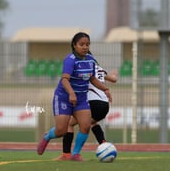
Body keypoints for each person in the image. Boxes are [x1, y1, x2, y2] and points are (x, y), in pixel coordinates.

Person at [36, 32, 111, 161]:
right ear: (74, 45)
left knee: (86, 126)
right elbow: (65, 80)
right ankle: (47, 136)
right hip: (64, 97)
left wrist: (105, 89)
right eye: (81, 44)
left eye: (87, 44)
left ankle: (75, 154)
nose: (85, 47)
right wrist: (71, 93)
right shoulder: (70, 60)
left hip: (81, 99)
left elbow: (92, 78)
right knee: (61, 131)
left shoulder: (90, 60)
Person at [55, 60, 118, 160]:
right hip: (105, 105)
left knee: (69, 124)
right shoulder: (100, 69)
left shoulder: (83, 69)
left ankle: (66, 153)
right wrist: (114, 74)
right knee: (92, 122)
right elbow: (114, 80)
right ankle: (104, 144)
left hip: (92, 102)